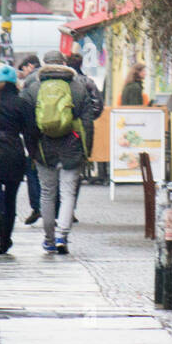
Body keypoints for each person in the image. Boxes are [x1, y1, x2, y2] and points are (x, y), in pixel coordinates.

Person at [23, 50, 96, 255]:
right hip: (72, 145)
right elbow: (88, 123)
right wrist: (86, 150)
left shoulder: (33, 87)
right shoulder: (77, 86)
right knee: (68, 193)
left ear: (45, 64)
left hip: (43, 148)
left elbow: (27, 123)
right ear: (63, 63)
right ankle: (63, 235)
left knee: (47, 193)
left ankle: (48, 238)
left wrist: (32, 149)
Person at [0, 64, 34, 255]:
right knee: (10, 199)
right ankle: (6, 238)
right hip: (13, 151)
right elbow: (30, 132)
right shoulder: (22, 104)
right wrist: (33, 154)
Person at [66, 52, 103, 224]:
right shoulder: (87, 82)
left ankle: (58, 207)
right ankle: (70, 208)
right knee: (75, 172)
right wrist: (86, 118)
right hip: (80, 132)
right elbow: (98, 106)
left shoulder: (61, 82)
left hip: (61, 130)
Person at [16, 54, 43, 224]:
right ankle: (55, 210)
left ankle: (37, 207)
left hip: (33, 135)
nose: (23, 73)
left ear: (30, 66)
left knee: (33, 171)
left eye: (23, 69)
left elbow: (22, 112)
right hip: (54, 133)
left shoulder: (29, 85)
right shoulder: (50, 80)